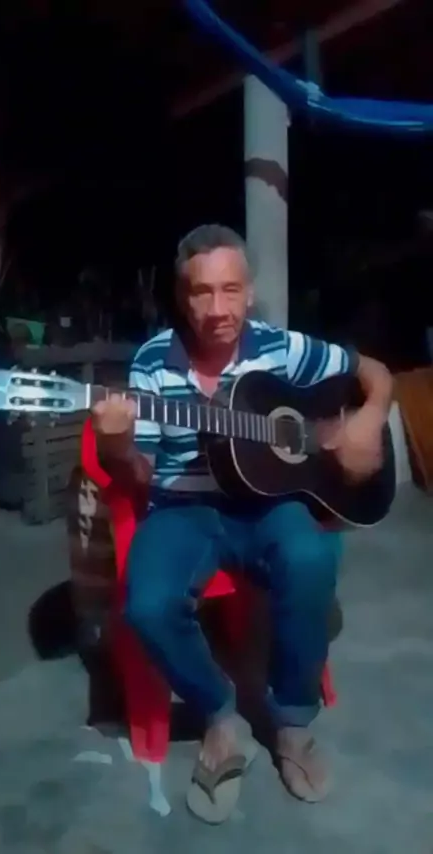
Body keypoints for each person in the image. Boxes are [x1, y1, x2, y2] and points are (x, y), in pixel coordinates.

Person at [92, 224, 393, 822]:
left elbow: (376, 374)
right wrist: (117, 446)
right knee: (147, 606)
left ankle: (293, 723)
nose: (218, 308)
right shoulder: (153, 362)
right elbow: (139, 474)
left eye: (230, 290)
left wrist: (367, 420)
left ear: (250, 292)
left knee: (313, 557)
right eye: (201, 292)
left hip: (268, 504)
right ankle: (220, 716)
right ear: (182, 298)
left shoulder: (280, 348)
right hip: (182, 508)